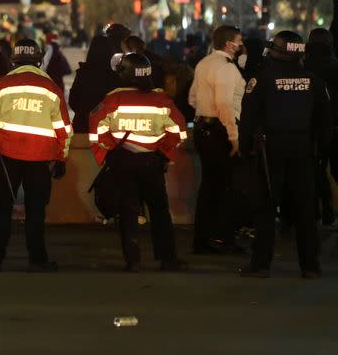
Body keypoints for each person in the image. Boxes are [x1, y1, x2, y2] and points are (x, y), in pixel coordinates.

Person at [0, 39, 72, 272]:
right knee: (36, 211)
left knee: (2, 211)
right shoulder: (51, 89)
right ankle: (38, 260)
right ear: (38, 60)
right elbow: (64, 130)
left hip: (6, 158)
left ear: (14, 60)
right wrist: (61, 157)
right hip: (40, 159)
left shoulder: (1, 85)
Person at [239, 31, 331, 278]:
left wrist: (244, 149)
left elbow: (247, 119)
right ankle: (310, 266)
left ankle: (261, 265)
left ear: (275, 51)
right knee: (305, 209)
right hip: (303, 149)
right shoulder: (314, 81)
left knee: (266, 208)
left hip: (270, 150)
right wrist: (323, 153)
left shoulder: (261, 80)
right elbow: (324, 122)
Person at [89, 53, 189, 272]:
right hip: (152, 163)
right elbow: (179, 133)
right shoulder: (161, 100)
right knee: (160, 211)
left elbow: (97, 132)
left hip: (122, 162)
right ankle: (167, 259)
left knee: (128, 212)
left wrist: (109, 153)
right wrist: (163, 154)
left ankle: (132, 260)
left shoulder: (112, 99)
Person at [188, 25, 246, 254]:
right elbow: (225, 105)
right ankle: (221, 238)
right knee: (223, 187)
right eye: (239, 41)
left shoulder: (204, 63)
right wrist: (234, 136)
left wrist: (205, 110)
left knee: (209, 187)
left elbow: (192, 98)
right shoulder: (227, 69)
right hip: (220, 132)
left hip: (203, 129)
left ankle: (203, 239)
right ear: (229, 44)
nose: (241, 46)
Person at [304, 28, 338, 225]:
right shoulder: (335, 65)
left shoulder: (304, 66)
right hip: (334, 124)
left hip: (309, 125)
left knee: (314, 167)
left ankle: (320, 208)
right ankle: (328, 209)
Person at [68, 35, 120, 134]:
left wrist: (85, 112)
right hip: (107, 130)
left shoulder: (83, 73)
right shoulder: (115, 76)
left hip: (83, 126)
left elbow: (73, 100)